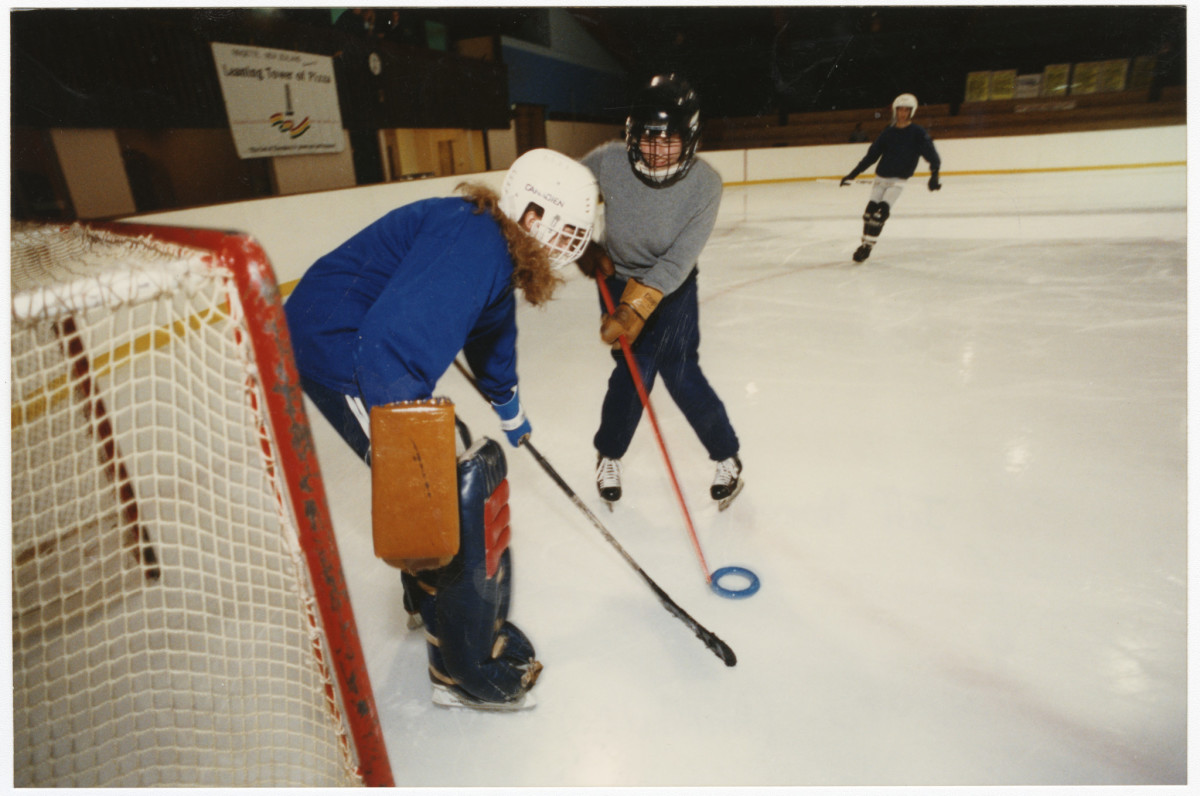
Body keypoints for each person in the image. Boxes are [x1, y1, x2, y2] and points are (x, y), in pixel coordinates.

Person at [284, 148, 598, 709]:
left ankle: (430, 599)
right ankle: (455, 669)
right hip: (340, 348)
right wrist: (414, 467)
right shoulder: (474, 249)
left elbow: (491, 333)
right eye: (566, 231)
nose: (570, 246)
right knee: (444, 499)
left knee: (445, 482)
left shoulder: (497, 249)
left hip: (369, 341)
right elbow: (387, 349)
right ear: (531, 216)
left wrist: (509, 408)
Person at [575, 74, 742, 509]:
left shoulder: (706, 184)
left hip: (672, 286)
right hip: (615, 274)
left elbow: (679, 258)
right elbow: (563, 191)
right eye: (649, 138)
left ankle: (727, 456)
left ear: (690, 139)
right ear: (632, 134)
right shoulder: (610, 160)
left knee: (681, 372)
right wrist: (581, 245)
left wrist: (637, 306)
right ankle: (609, 454)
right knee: (633, 373)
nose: (658, 150)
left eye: (671, 140)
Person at [840, 93, 942, 262]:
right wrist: (852, 174)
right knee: (868, 215)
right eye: (900, 110)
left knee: (880, 214)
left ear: (911, 112)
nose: (902, 113)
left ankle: (867, 248)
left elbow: (931, 154)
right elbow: (871, 156)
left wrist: (935, 174)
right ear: (895, 111)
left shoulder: (917, 132)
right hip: (880, 179)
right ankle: (864, 243)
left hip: (897, 181)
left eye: (906, 110)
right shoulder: (888, 132)